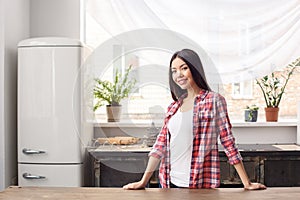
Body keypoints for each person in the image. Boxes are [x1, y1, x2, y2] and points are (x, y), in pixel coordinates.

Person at [123, 49, 266, 190]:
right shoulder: (173, 107)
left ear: (195, 69)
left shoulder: (214, 101)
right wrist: (143, 181)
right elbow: (160, 146)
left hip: (198, 184)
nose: (178, 74)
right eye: (174, 70)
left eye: (183, 68)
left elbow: (228, 141)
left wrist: (246, 183)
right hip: (168, 182)